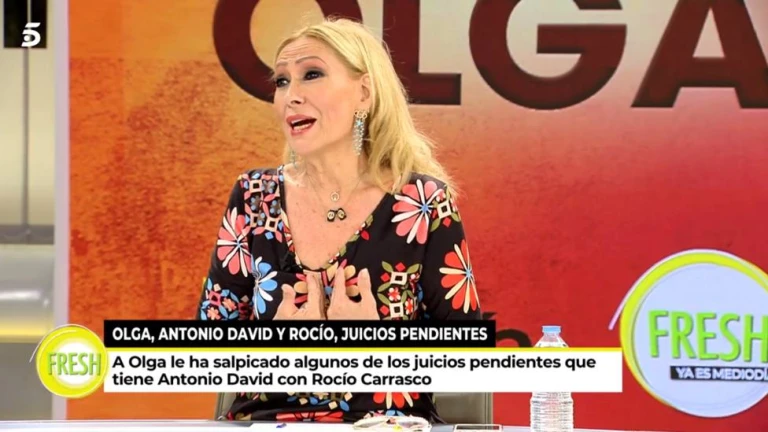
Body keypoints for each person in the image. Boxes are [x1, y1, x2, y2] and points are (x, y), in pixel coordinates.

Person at [197, 17, 482, 423]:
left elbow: (467, 357)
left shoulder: (422, 203)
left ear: (364, 93)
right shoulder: (253, 196)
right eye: (281, 81)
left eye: (311, 74)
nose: (291, 96)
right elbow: (206, 354)